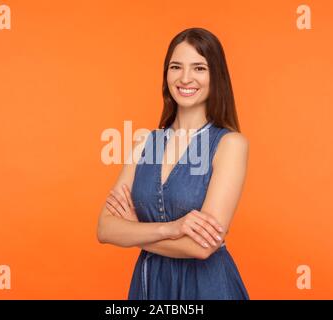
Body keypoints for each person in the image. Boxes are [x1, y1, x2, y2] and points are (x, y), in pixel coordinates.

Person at [97, 27, 250, 300]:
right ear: (166, 74)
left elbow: (203, 246)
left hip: (206, 288)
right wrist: (171, 229)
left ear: (216, 76)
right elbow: (105, 229)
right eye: (176, 67)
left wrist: (134, 232)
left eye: (199, 68)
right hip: (149, 286)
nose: (185, 78)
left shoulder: (230, 144)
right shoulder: (145, 143)